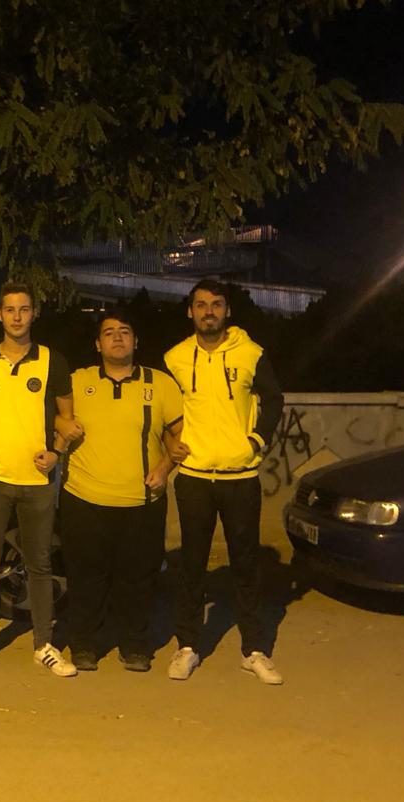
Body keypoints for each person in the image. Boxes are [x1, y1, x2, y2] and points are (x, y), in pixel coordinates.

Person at [163, 279, 285, 685]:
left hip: (240, 477)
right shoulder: (176, 358)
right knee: (191, 566)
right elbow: (163, 409)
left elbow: (274, 400)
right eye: (201, 305)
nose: (208, 312)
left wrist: (256, 441)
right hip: (194, 477)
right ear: (190, 312)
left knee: (246, 566)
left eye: (216, 304)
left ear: (227, 311)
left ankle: (254, 650)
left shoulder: (251, 353)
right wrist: (171, 444)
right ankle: (187, 646)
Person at [0, 282, 76, 678]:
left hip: (37, 479)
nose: (17, 317)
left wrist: (57, 451)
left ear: (33, 313)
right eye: (10, 310)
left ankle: (44, 644)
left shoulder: (52, 360)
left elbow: (67, 419)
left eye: (24, 309)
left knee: (39, 564)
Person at [56, 307, 183, 672]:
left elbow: (180, 436)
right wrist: (61, 423)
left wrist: (165, 468)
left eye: (125, 331)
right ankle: (84, 645)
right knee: (85, 578)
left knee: (138, 579)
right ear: (97, 344)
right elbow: (49, 413)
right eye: (109, 332)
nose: (117, 337)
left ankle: (135, 645)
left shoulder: (160, 384)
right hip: (84, 499)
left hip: (142, 500)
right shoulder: (77, 382)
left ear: (136, 341)